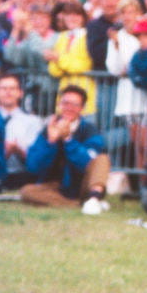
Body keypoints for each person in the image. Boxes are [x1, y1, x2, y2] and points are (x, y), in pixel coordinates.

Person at [19, 85, 111, 215]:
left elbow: (86, 162)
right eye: (65, 103)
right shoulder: (48, 129)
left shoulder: (90, 130)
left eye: (74, 105)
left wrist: (68, 139)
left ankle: (94, 197)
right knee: (26, 192)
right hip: (56, 185)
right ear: (59, 105)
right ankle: (81, 204)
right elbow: (33, 166)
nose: (69, 108)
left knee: (102, 159)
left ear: (82, 108)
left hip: (82, 183)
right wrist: (50, 142)